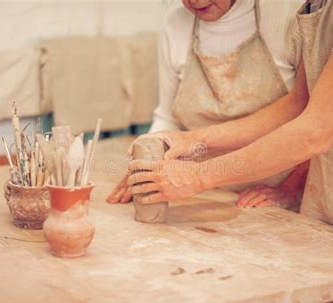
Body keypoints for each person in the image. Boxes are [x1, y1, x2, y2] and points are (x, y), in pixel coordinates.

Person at [126, 0, 333, 248]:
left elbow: (314, 132)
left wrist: (199, 176)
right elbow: (298, 104)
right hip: (331, 210)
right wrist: (196, 139)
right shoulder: (316, 5)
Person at [107, 0, 308, 208]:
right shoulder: (175, 23)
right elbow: (168, 118)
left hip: (277, 190)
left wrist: (293, 188)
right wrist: (147, 165)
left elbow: (315, 120)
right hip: (205, 189)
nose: (195, 1)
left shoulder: (288, 15)